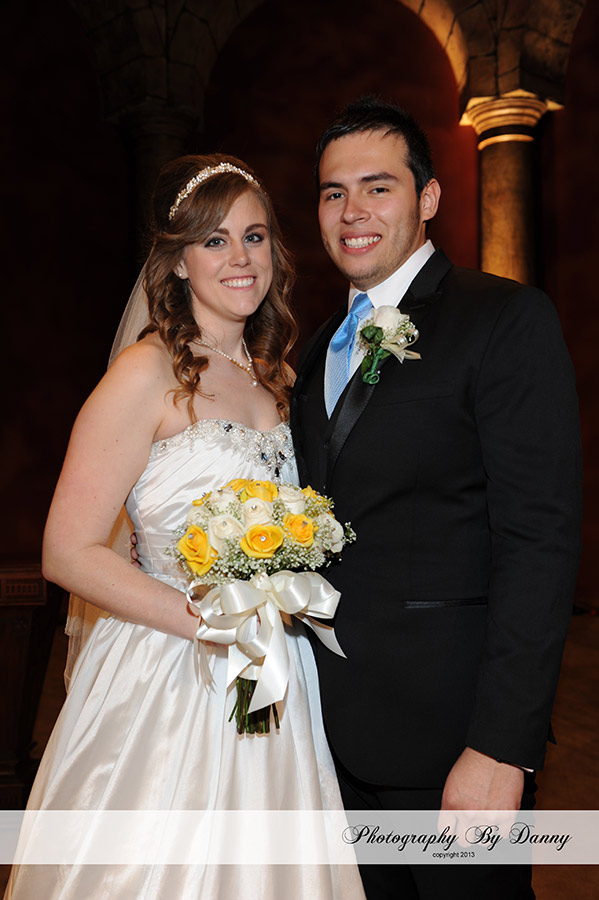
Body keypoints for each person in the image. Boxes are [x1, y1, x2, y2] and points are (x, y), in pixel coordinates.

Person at [5, 154, 366, 900]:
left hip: (279, 669)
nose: (241, 258)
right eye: (214, 240)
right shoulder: (144, 375)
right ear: (175, 263)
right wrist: (210, 620)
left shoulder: (281, 378)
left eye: (255, 237)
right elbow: (66, 551)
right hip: (169, 667)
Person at [290, 97, 582, 900]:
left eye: (377, 187)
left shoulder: (503, 319)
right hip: (331, 737)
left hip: (453, 738)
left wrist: (501, 746)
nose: (351, 210)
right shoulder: (316, 348)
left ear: (427, 198)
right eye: (332, 192)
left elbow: (538, 539)